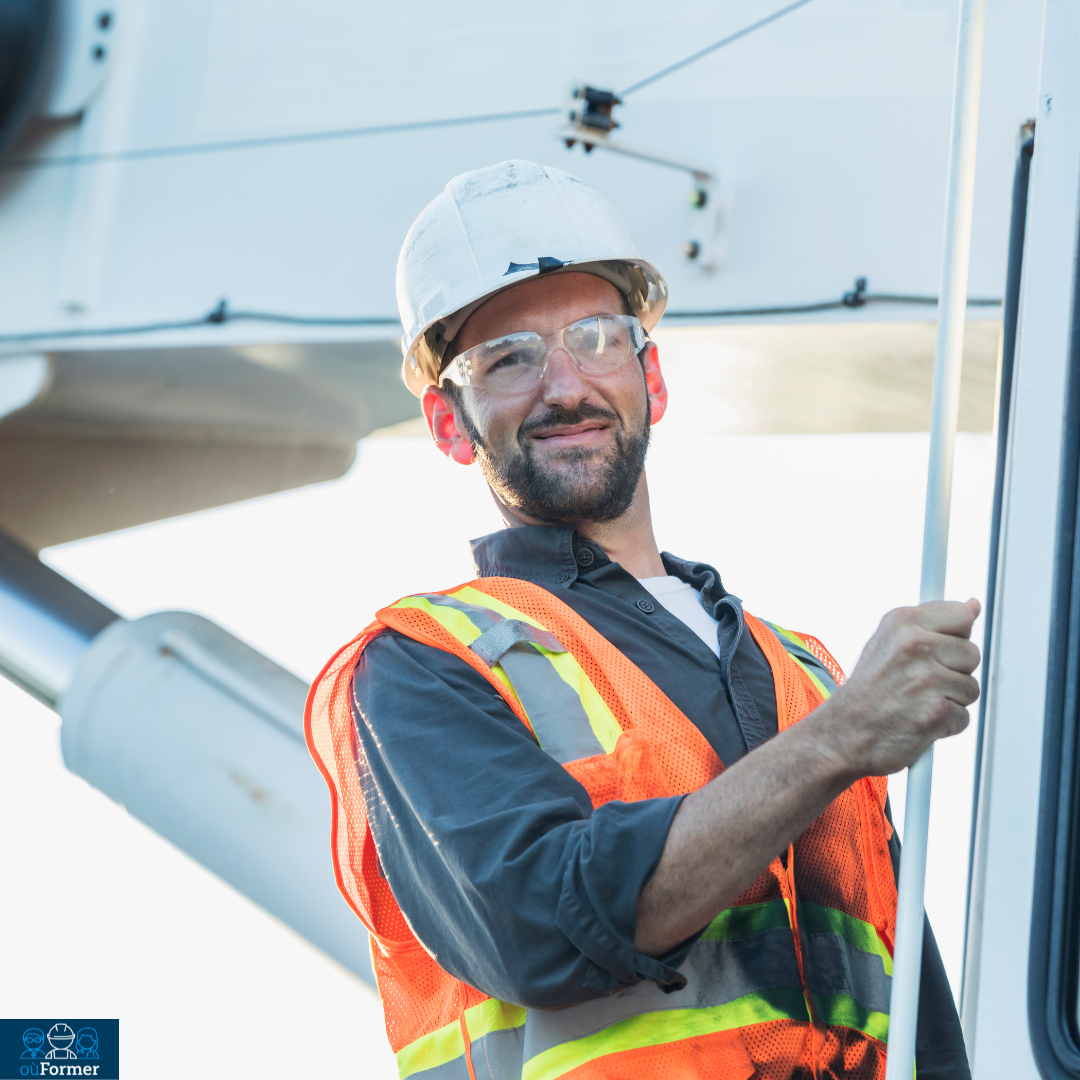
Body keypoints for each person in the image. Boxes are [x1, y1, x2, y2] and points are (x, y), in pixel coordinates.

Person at [307, 160, 978, 1080]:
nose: (565, 385)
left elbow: (916, 1010)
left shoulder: (806, 675)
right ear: (449, 424)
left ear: (651, 379)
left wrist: (836, 729)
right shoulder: (426, 667)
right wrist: (834, 743)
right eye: (507, 359)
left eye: (595, 339)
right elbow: (542, 927)